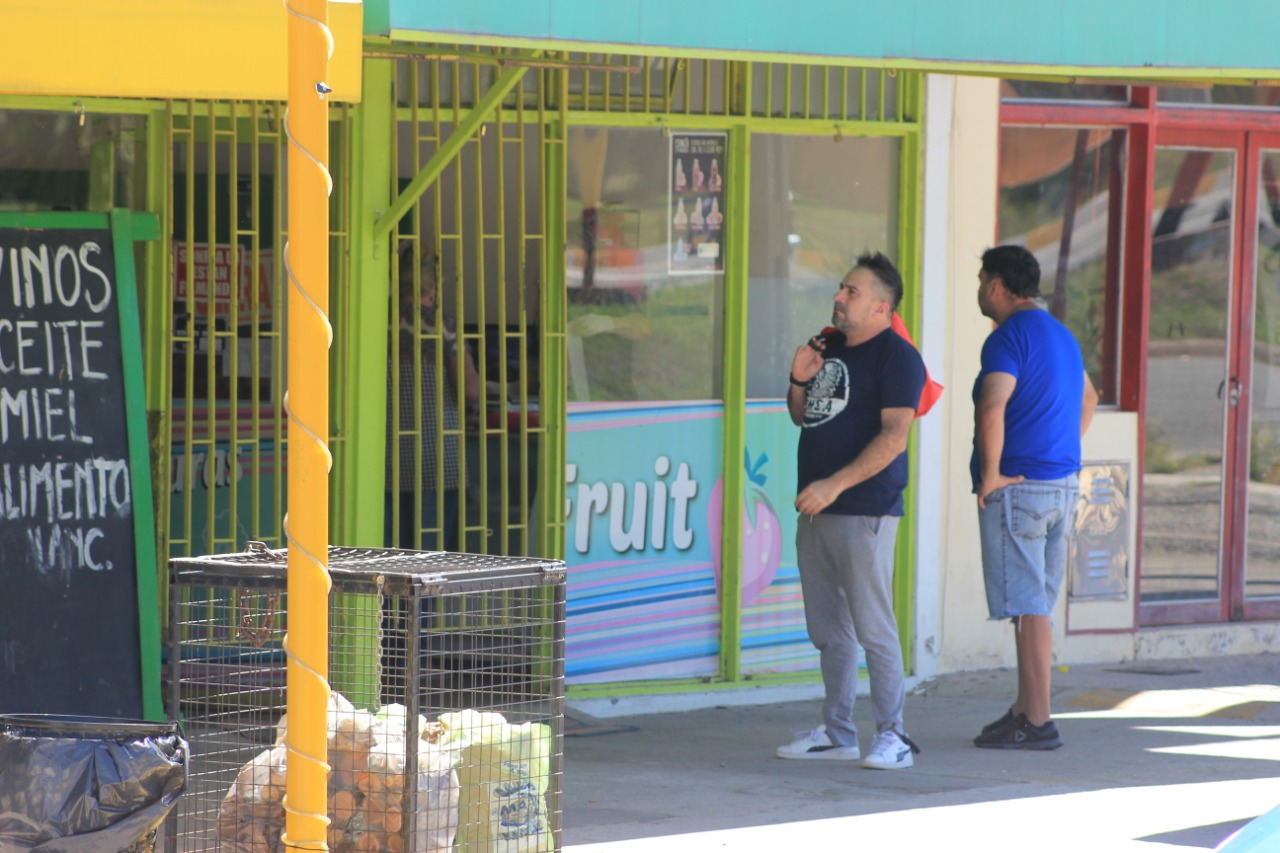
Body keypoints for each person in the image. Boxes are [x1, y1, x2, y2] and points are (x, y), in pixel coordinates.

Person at [775, 251, 926, 771]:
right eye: (841, 288)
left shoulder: (898, 358)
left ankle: (894, 735)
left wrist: (833, 486)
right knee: (829, 631)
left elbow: (895, 437)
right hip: (816, 510)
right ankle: (838, 733)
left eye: (851, 292)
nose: (838, 297)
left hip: (864, 510)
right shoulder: (830, 346)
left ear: (882, 307)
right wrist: (799, 380)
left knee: (873, 628)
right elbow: (804, 416)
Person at [970, 245, 1097, 750]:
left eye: (982, 280)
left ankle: (1039, 722)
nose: (980, 289)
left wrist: (990, 476)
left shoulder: (1007, 337)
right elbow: (1088, 398)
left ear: (997, 285)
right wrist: (1059, 452)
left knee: (1028, 607)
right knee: (1034, 605)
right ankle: (1025, 709)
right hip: (1061, 484)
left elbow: (992, 407)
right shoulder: (1060, 334)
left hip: (1019, 487)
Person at [385, 242, 480, 551]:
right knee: (428, 561)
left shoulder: (378, 324)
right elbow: (470, 390)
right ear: (434, 285)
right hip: (437, 462)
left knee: (386, 560)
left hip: (387, 462)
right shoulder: (443, 326)